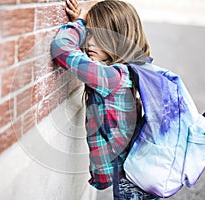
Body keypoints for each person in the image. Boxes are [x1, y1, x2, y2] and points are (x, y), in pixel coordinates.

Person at [51, 0, 160, 199]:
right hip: (129, 178)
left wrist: (80, 24)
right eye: (89, 35)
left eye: (98, 36)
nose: (90, 42)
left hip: (121, 184)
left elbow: (61, 48)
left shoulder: (112, 78)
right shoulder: (130, 71)